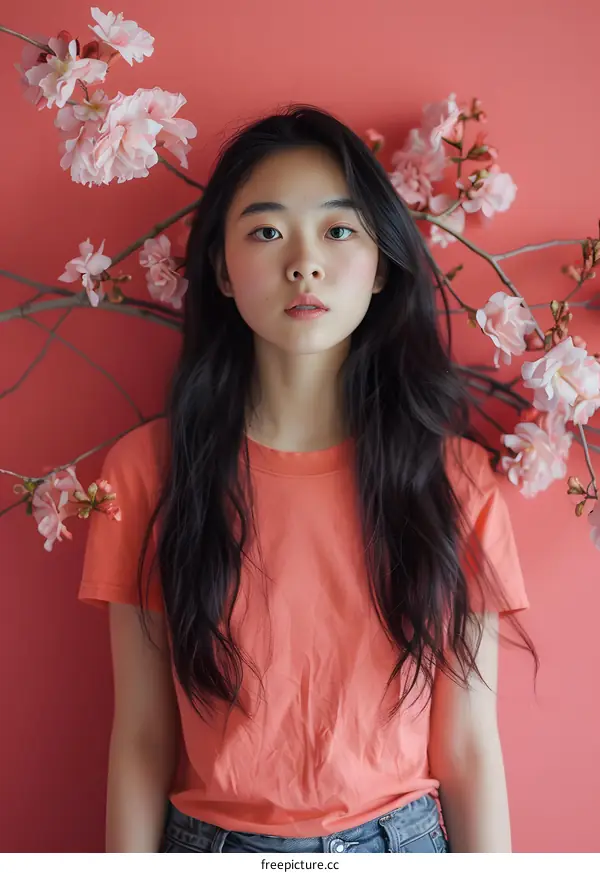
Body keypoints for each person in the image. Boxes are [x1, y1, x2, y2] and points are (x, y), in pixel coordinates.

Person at [79, 104, 535, 854]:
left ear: (383, 262)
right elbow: (141, 738)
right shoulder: (146, 474)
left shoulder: (453, 480)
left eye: (338, 229)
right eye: (265, 231)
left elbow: (469, 750)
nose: (303, 261)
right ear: (221, 269)